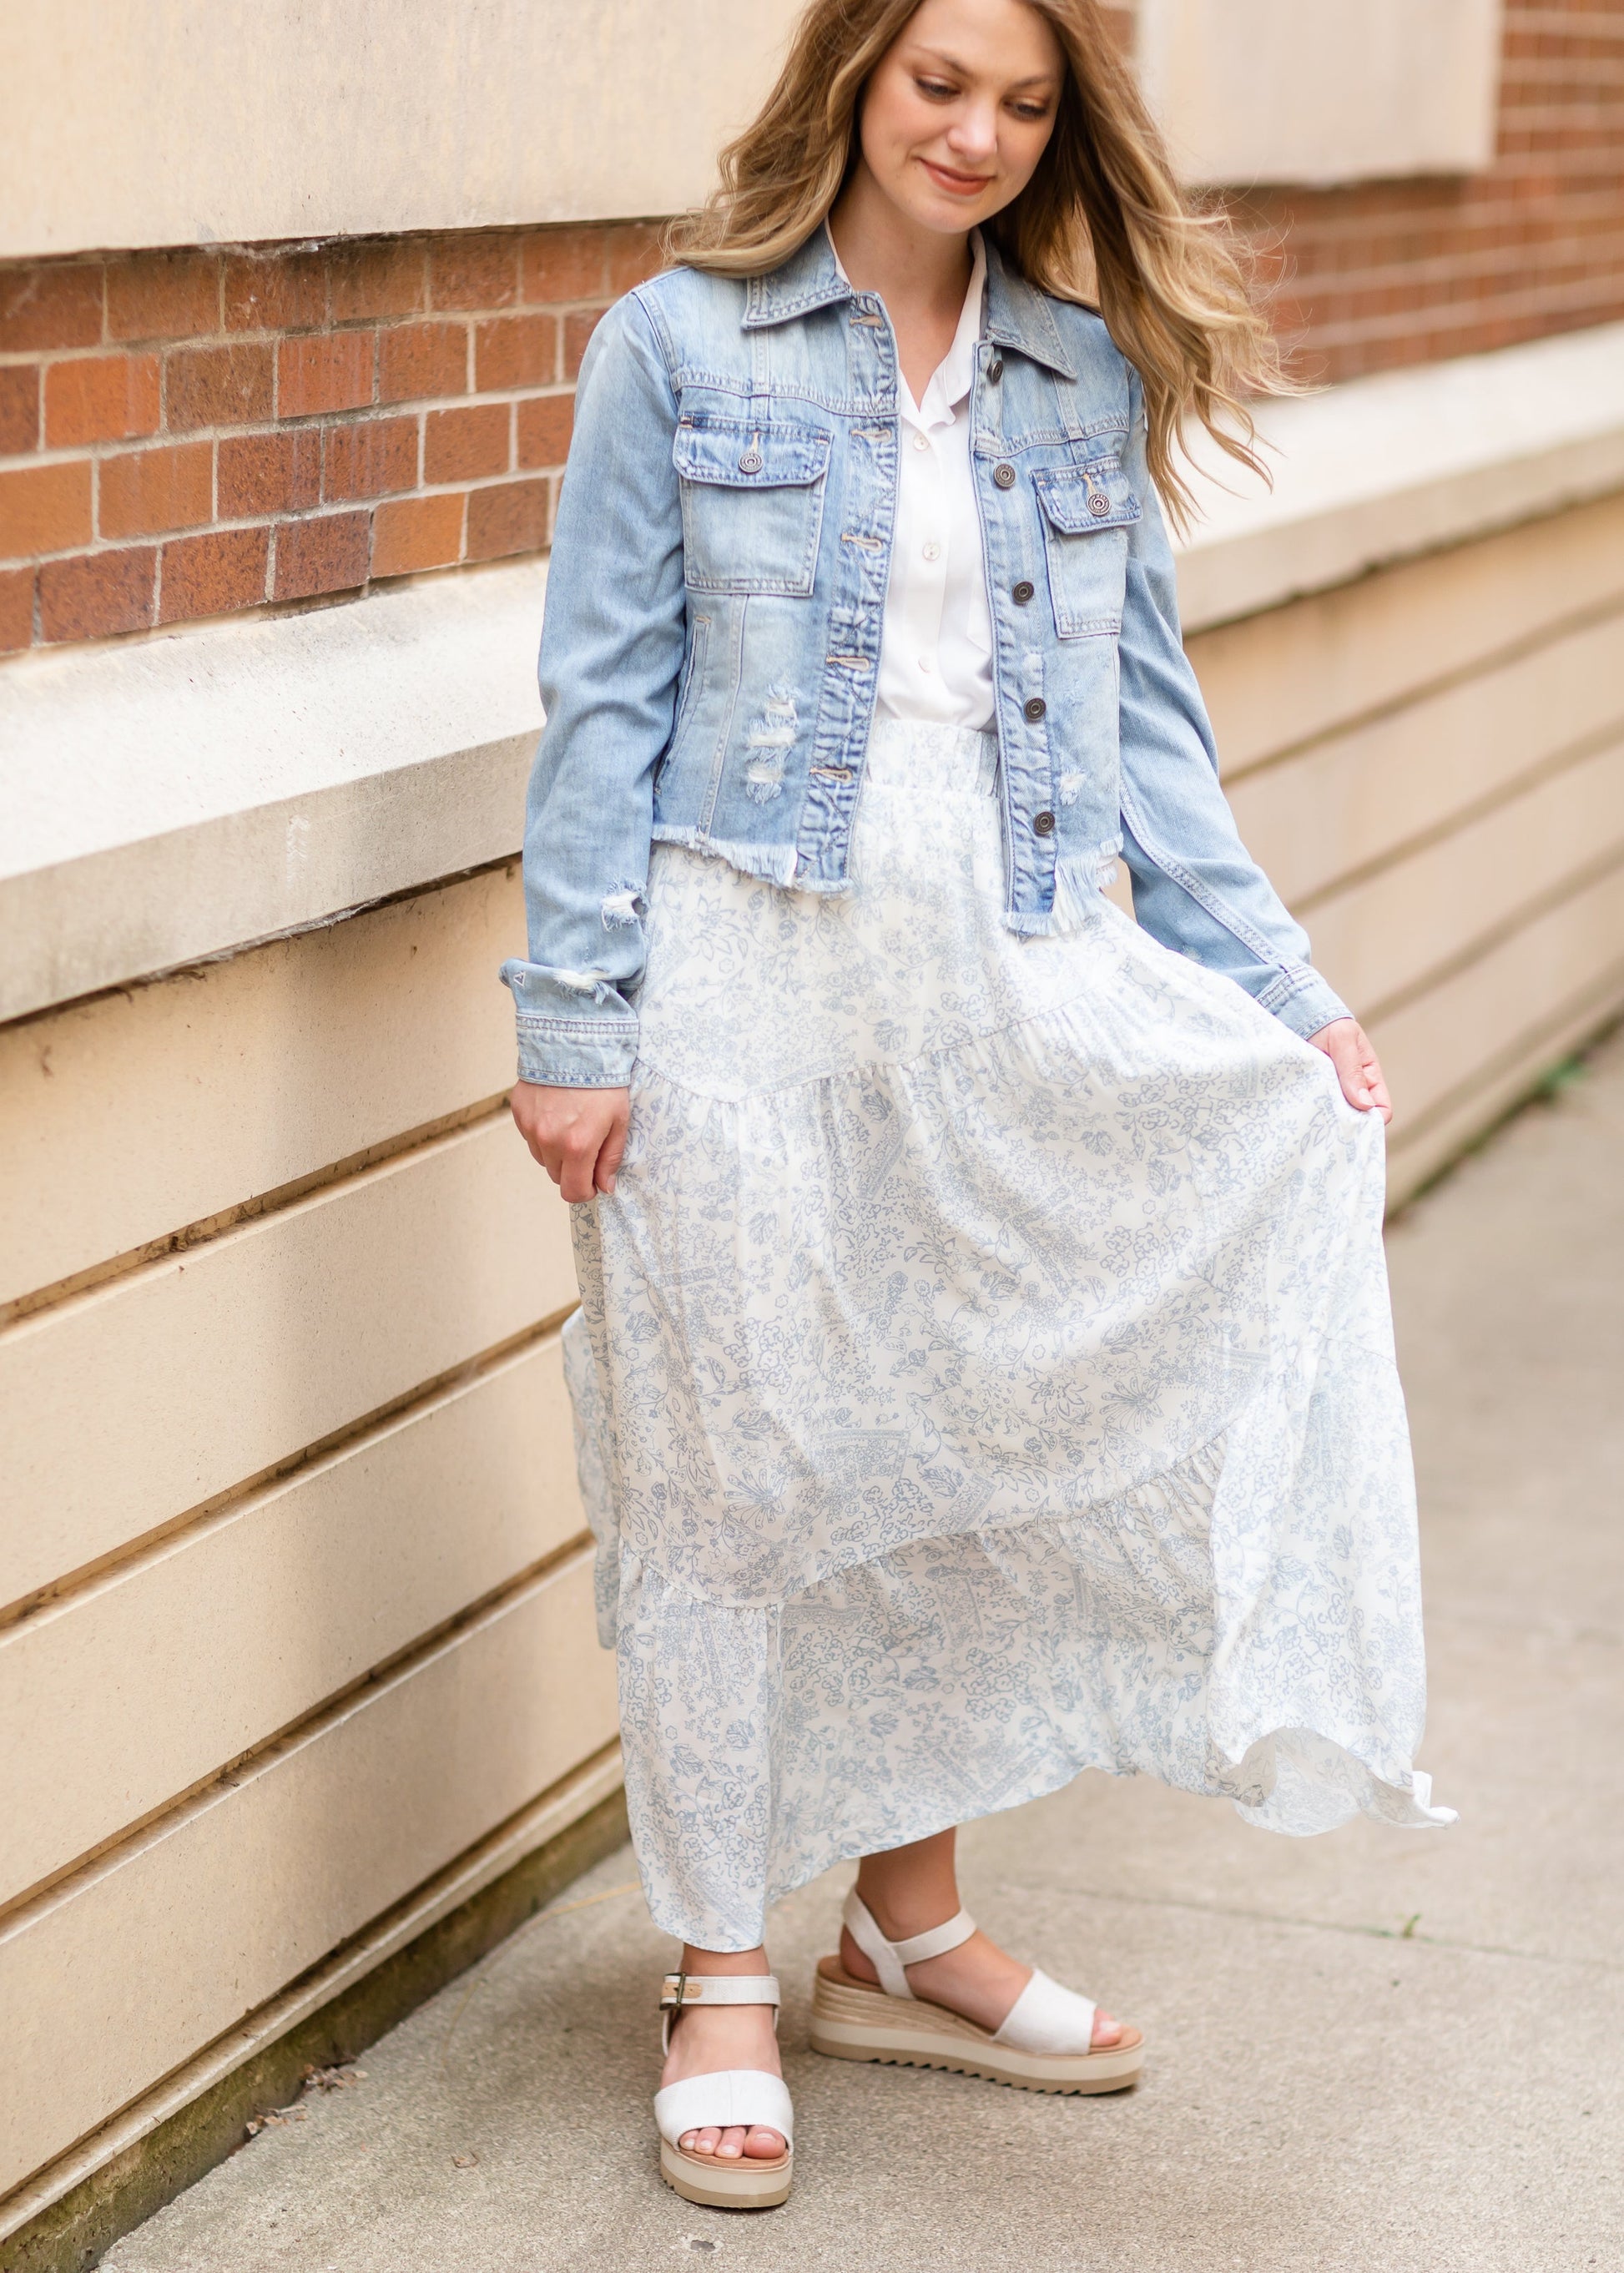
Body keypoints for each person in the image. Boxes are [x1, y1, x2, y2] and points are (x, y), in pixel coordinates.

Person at [502, 0, 1450, 2211]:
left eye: (1025, 105)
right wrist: (573, 1011)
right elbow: (602, 686)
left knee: (952, 1448)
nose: (978, 135)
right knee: (737, 1462)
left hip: (1002, 971)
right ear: (849, 74)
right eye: (942, 83)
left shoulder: (1073, 378)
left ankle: (903, 1916)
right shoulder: (679, 342)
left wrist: (1285, 996)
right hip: (738, 951)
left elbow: (1144, 731)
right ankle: (721, 1965)